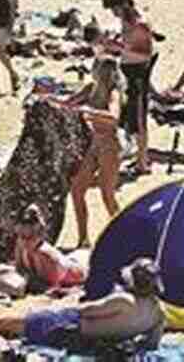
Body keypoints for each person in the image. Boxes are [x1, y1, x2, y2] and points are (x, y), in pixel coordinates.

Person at [0, 257, 165, 350]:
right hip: (95, 343)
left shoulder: (124, 301)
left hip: (70, 329)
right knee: (11, 326)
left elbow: (85, 312)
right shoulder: (158, 312)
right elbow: (151, 344)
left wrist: (57, 307)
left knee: (5, 322)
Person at [48, 59, 122, 247]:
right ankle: (83, 239)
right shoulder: (90, 88)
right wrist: (48, 98)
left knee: (107, 195)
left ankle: (124, 232)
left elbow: (114, 117)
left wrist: (89, 111)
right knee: (77, 190)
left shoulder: (114, 93)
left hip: (109, 146)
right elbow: (68, 103)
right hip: (91, 144)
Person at [103, 0, 156, 175]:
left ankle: (143, 163)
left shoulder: (141, 24)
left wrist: (119, 48)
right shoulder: (126, 21)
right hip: (128, 70)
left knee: (140, 120)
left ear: (124, 4)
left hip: (138, 74)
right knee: (129, 118)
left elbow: (145, 54)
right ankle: (139, 157)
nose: (114, 13)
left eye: (115, 9)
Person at [12, 204, 86, 288]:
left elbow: (50, 286)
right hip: (70, 260)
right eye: (21, 235)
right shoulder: (20, 245)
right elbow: (19, 270)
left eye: (29, 236)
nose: (24, 240)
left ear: (38, 231)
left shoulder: (44, 254)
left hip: (79, 269)